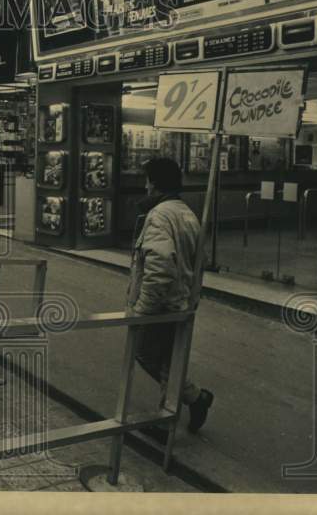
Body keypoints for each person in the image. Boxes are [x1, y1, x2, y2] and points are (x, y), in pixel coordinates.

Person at [127, 158, 214, 438]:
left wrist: (143, 309)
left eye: (147, 180)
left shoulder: (160, 216)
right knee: (168, 358)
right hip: (182, 300)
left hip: (163, 305)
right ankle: (182, 407)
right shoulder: (187, 212)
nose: (144, 185)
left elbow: (160, 266)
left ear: (154, 183)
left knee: (147, 354)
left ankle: (190, 400)